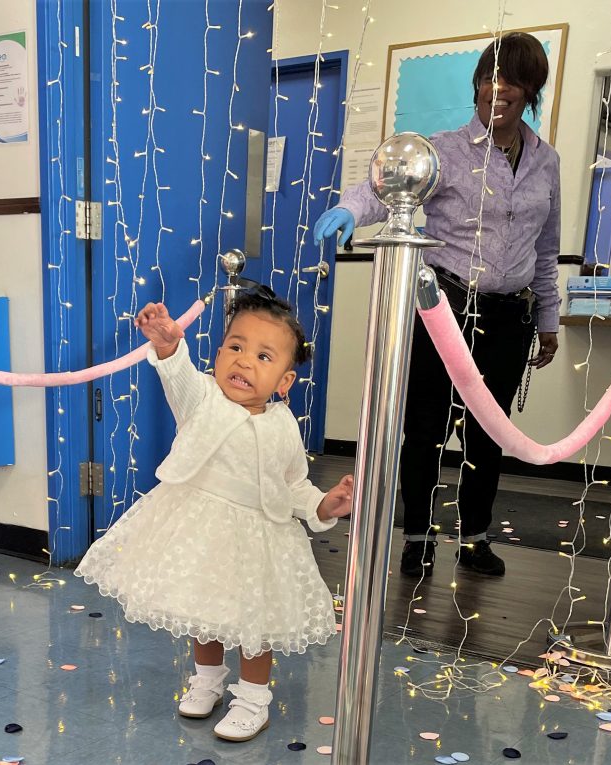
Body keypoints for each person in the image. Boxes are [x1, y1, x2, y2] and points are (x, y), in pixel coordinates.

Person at [313, 32, 561, 578]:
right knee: (423, 427)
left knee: (488, 432)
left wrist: (548, 319)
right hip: (442, 307)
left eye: (509, 83)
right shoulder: (445, 149)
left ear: (531, 91)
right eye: (486, 81)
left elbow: (546, 248)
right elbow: (382, 188)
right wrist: (350, 209)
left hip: (509, 317)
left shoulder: (547, 162)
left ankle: (474, 539)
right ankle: (419, 536)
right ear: (476, 85)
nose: (495, 92)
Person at [75, 287, 354, 743]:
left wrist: (325, 505)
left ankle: (253, 698)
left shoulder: (284, 425)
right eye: (237, 347)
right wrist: (167, 343)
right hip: (201, 530)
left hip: (260, 539)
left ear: (284, 382)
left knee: (253, 624)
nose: (244, 362)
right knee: (204, 611)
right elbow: (177, 373)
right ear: (219, 352)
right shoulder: (202, 399)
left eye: (264, 357)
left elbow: (294, 487)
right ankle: (207, 679)